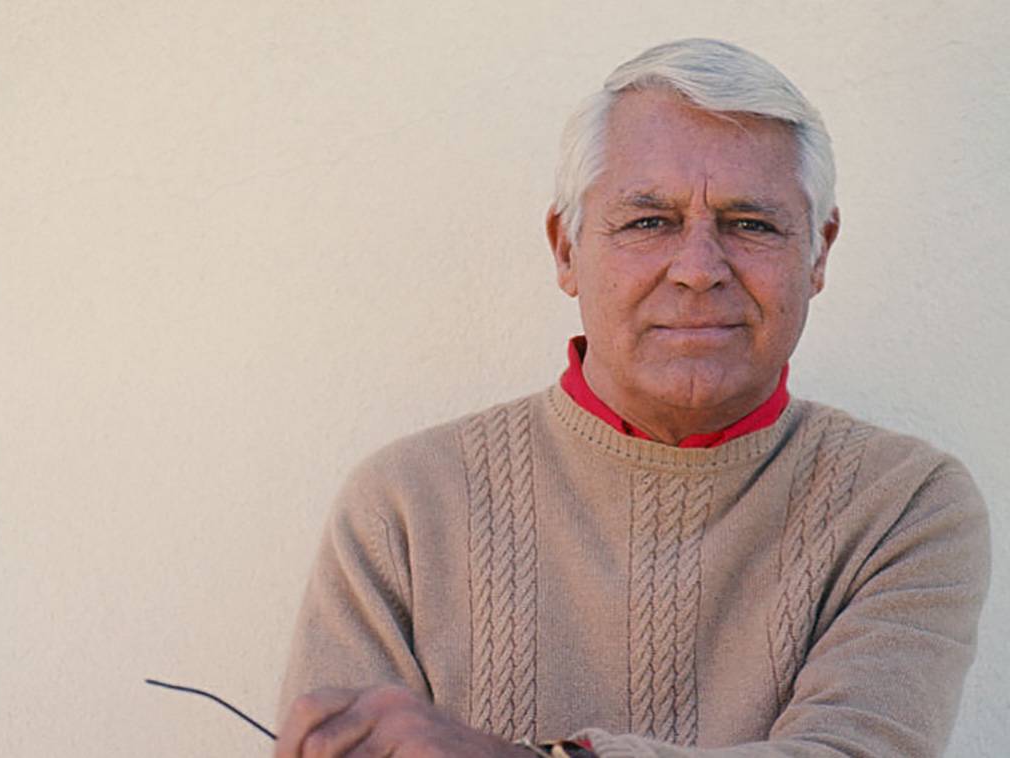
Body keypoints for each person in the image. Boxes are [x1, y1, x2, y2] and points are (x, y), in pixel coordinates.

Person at [274, 38, 989, 757]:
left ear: (819, 253)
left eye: (752, 224)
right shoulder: (403, 506)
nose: (699, 269)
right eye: (650, 222)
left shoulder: (903, 503)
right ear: (565, 250)